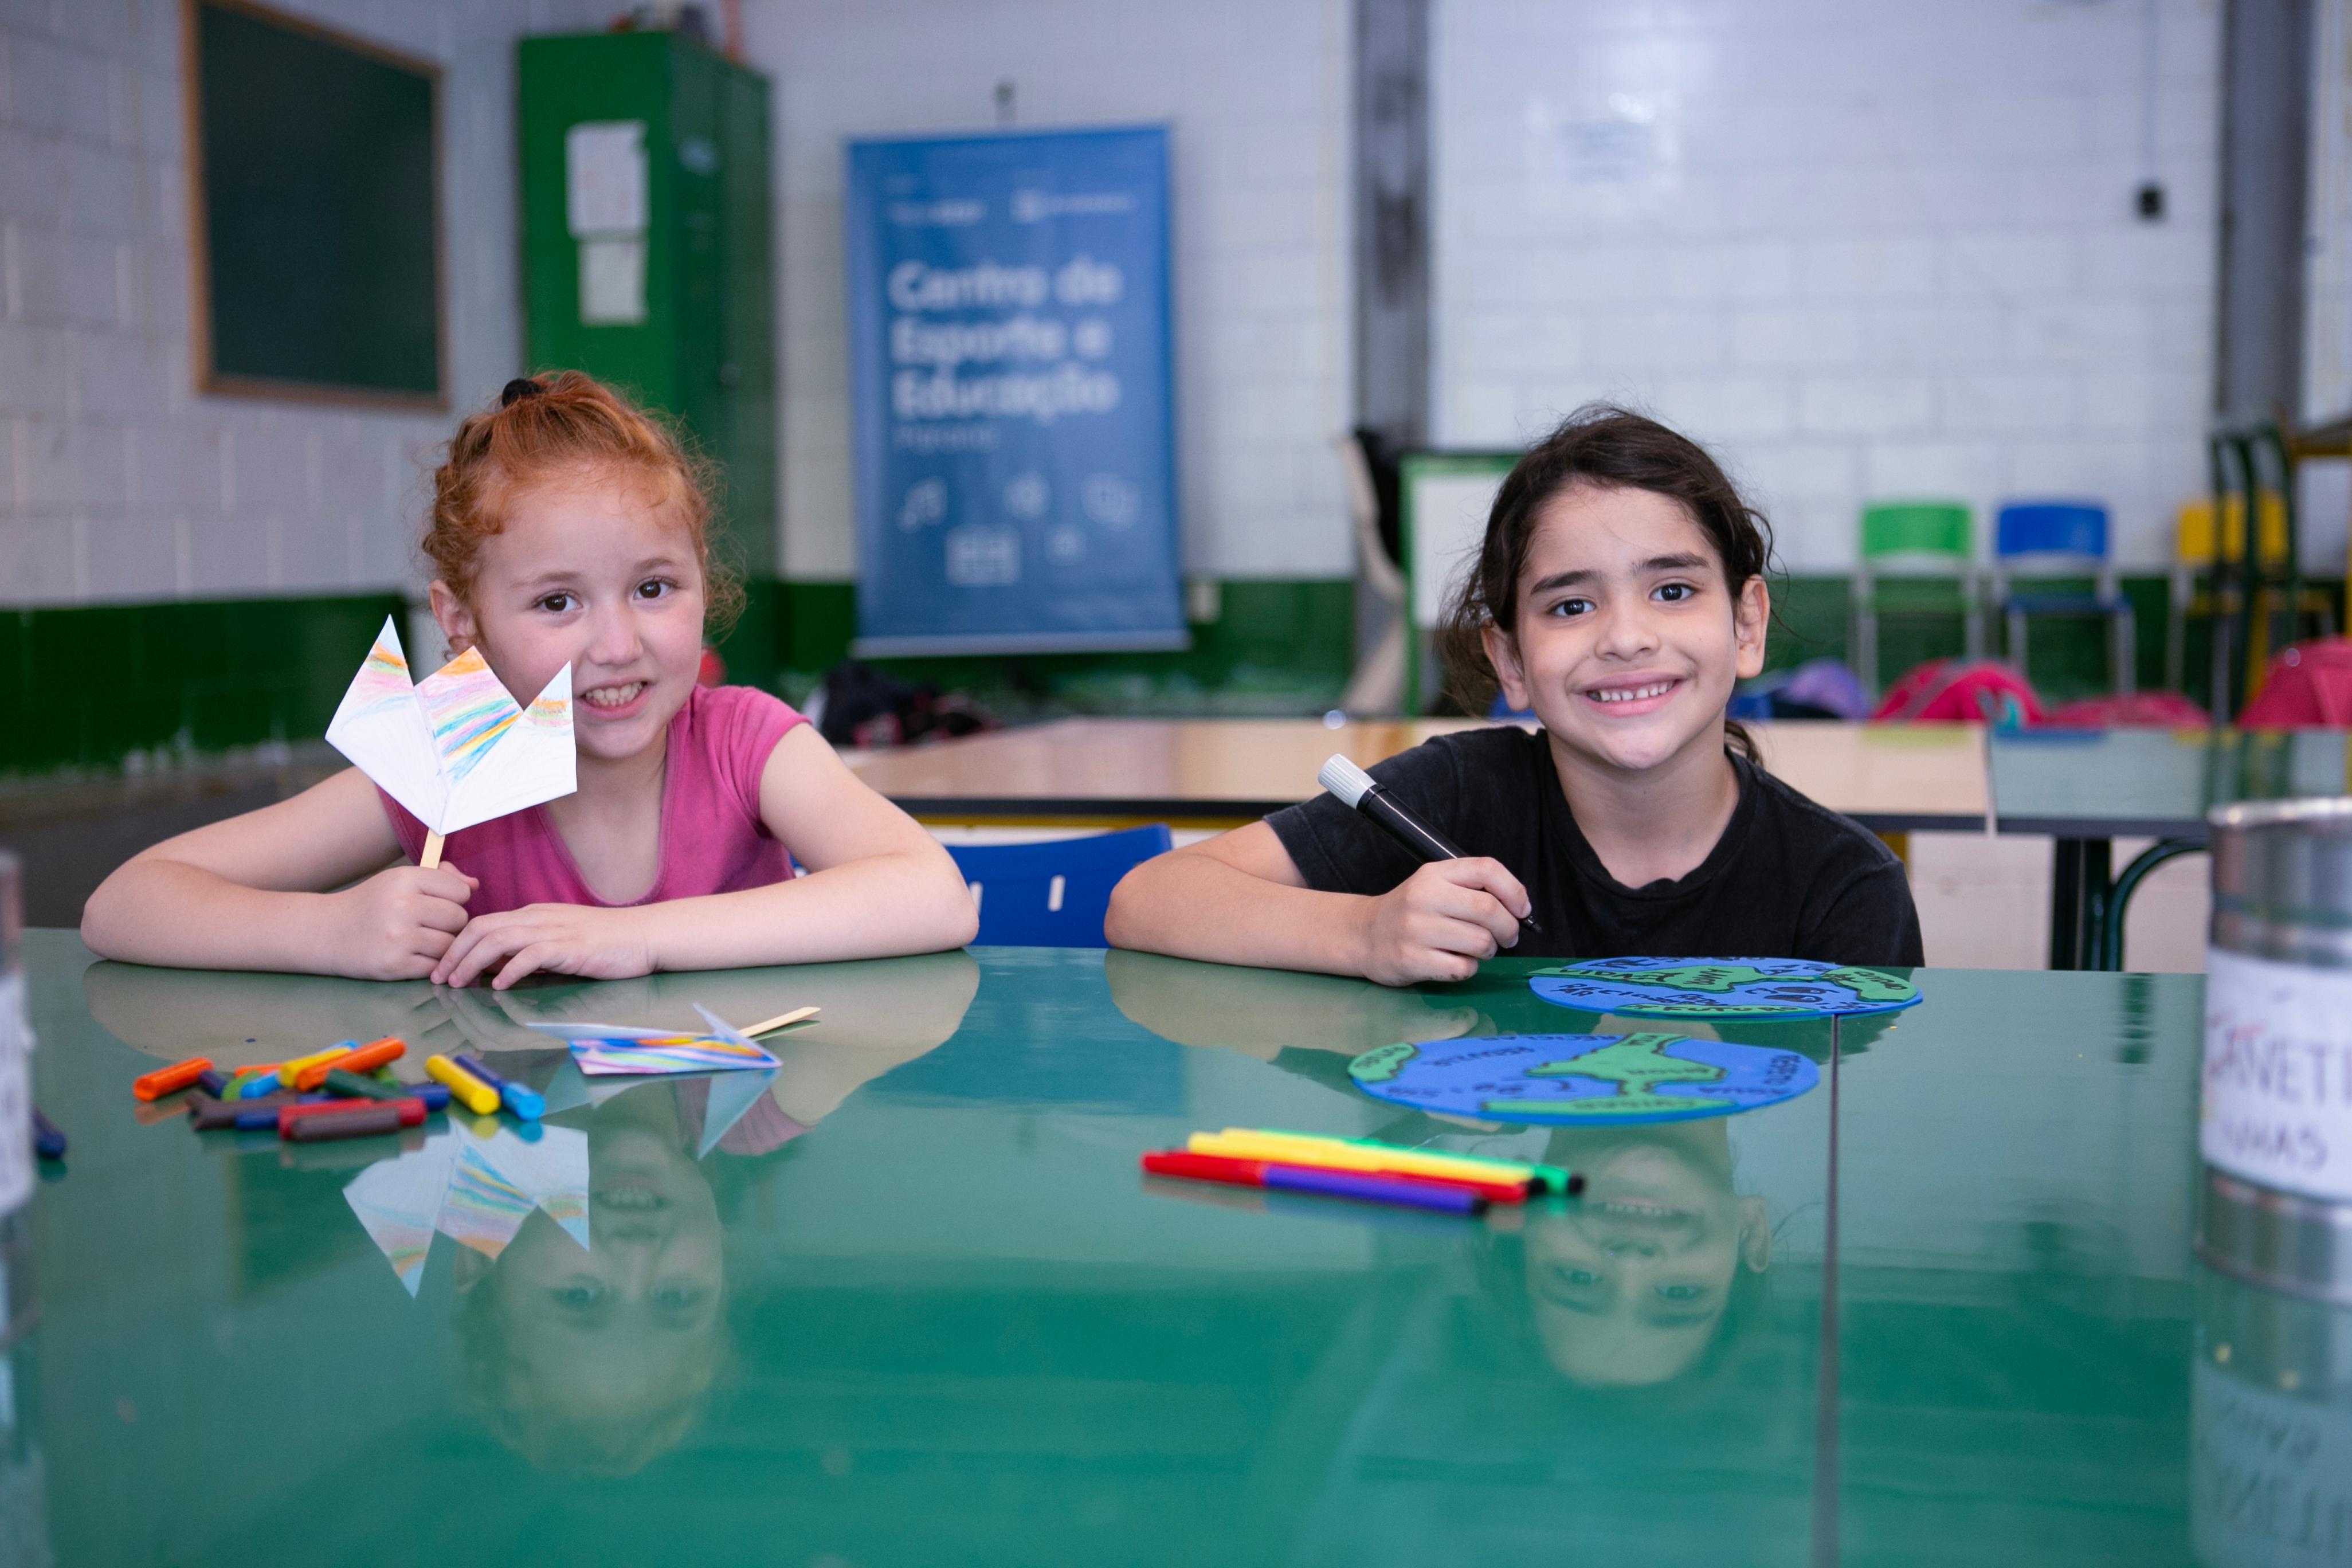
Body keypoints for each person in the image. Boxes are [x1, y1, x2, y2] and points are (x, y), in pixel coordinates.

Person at [83, 372, 977, 986]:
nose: (617, 643)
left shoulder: (745, 739)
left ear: (705, 578)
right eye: (558, 603)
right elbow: (124, 906)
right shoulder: (448, 754)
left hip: (727, 1160)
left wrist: (634, 939)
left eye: (654, 588)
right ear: (462, 620)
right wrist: (331, 931)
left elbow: (932, 895)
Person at [1106, 405, 1923, 983]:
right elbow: (1148, 899)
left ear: (1747, 624)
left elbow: (1862, 1153)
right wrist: (1364, 932)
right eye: (1571, 605)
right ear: (1512, 662)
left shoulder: (1845, 890)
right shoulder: (1454, 797)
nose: (1626, 636)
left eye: (1672, 591)